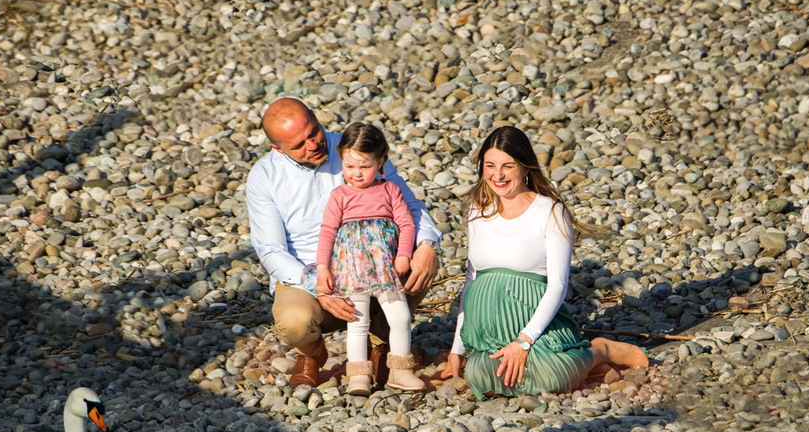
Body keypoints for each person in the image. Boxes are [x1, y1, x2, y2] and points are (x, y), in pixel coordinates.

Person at [440, 125, 648, 399]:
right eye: (489, 166)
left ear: (526, 167)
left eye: (508, 166)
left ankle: (600, 350)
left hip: (532, 327)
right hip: (487, 336)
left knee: (553, 375)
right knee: (482, 379)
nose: (497, 175)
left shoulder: (549, 211)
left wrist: (523, 342)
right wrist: (457, 351)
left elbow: (558, 286)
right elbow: (471, 279)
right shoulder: (478, 210)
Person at [247, 98, 442, 389]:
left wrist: (427, 244)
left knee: (422, 260)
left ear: (315, 116)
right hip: (311, 273)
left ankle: (380, 343)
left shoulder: (355, 148)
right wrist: (319, 286)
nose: (313, 145)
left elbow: (409, 205)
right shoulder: (264, 177)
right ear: (278, 148)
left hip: (375, 264)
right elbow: (270, 249)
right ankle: (312, 354)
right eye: (299, 145)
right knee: (293, 322)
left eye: (313, 132)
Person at [303, 122, 423, 395]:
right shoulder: (340, 195)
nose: (356, 174)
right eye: (350, 166)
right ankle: (358, 376)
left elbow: (407, 224)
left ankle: (400, 370)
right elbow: (328, 232)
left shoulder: (390, 190)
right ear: (342, 161)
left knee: (401, 317)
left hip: (385, 270)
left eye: (364, 166)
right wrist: (323, 267)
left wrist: (404, 255)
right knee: (358, 323)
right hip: (352, 270)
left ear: (380, 162)